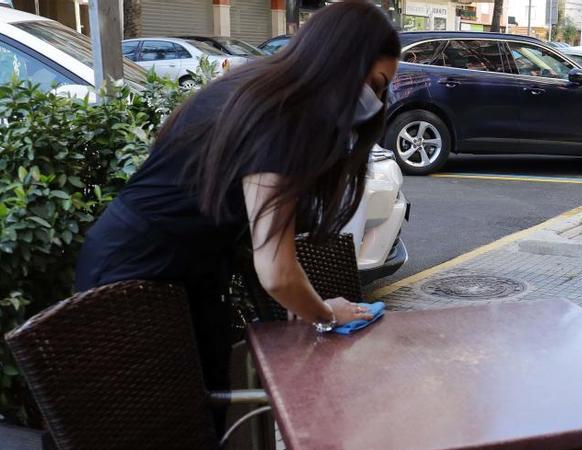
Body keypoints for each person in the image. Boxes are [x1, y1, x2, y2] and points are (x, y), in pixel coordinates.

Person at [75, 1, 400, 407]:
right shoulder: (278, 118)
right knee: (160, 443)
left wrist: (304, 301)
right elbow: (277, 272)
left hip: (179, 277)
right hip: (132, 283)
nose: (376, 101)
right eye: (375, 84)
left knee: (196, 434)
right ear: (341, 62)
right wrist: (326, 314)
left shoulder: (262, 89)